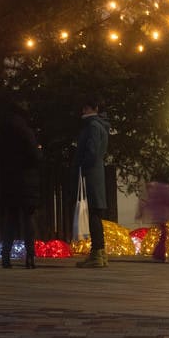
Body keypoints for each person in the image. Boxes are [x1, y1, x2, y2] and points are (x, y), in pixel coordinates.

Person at [0, 103, 41, 270]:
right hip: (26, 180)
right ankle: (30, 257)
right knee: (28, 219)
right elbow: (34, 156)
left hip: (9, 181)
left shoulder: (2, 133)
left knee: (10, 220)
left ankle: (5, 257)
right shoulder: (26, 131)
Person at [74, 100, 110, 269]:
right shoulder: (100, 125)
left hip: (92, 173)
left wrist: (82, 164)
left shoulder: (93, 126)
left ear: (94, 108)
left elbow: (92, 150)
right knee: (96, 211)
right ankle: (100, 253)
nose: (83, 109)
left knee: (94, 212)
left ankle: (97, 254)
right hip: (97, 172)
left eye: (86, 106)